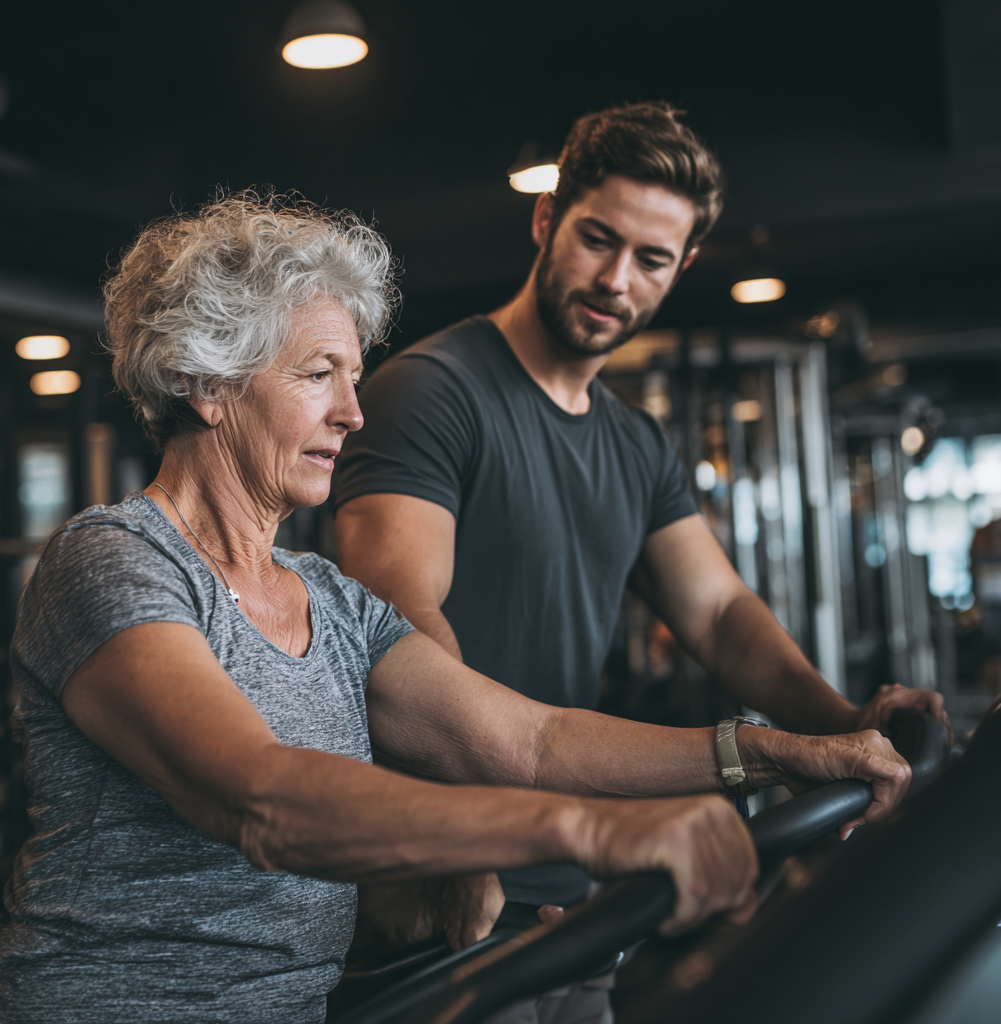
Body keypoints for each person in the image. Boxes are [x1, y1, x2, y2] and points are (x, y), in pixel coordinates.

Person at [0, 195, 912, 1024]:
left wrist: (768, 753)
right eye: (318, 375)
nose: (353, 411)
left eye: (355, 376)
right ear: (208, 383)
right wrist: (582, 829)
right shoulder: (113, 560)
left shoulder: (332, 601)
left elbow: (531, 741)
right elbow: (256, 796)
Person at [333, 103, 952, 1019]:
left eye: (650, 260)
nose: (616, 279)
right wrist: (470, 843)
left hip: (576, 887)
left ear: (682, 267)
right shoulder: (432, 393)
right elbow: (397, 632)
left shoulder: (634, 442)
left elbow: (717, 614)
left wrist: (845, 724)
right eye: (597, 239)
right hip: (443, 891)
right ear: (547, 220)